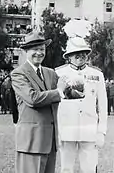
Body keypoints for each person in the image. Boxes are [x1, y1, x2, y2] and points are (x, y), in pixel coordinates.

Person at [10, 30, 66, 173]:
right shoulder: (18, 73)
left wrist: (78, 89)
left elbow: (66, 90)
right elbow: (33, 99)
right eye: (35, 49)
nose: (39, 53)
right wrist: (60, 91)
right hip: (31, 141)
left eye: (42, 49)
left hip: (50, 140)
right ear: (26, 51)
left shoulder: (51, 73)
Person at [55, 36, 108, 173]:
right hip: (67, 129)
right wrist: (56, 131)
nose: (80, 56)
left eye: (84, 52)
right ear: (68, 56)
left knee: (89, 169)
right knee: (66, 169)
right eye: (75, 53)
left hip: (89, 129)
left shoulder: (96, 74)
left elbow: (103, 106)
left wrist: (101, 132)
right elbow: (55, 104)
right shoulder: (58, 73)